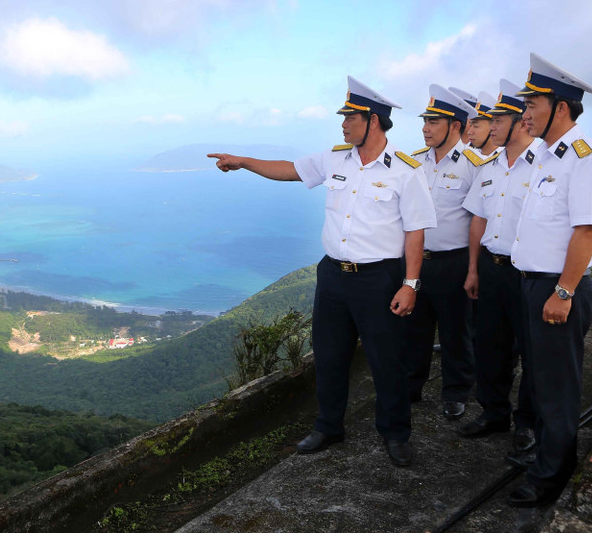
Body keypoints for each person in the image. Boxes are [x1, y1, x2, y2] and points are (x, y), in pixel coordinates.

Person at [208, 76, 435, 466]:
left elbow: (415, 232)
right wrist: (244, 162)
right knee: (330, 356)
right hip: (332, 275)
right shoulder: (336, 158)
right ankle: (329, 426)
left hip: (379, 278)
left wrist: (410, 284)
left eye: (351, 117)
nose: (344, 124)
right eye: (344, 117)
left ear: (374, 121)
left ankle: (396, 433)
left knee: (387, 360)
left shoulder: (405, 169)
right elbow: (289, 170)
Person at [506, 54, 592, 508]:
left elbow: (586, 230)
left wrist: (565, 291)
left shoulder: (585, 158)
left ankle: (552, 475)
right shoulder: (546, 157)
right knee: (537, 377)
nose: (525, 112)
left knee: (556, 385)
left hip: (559, 288)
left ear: (562, 107)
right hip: (534, 284)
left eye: (533, 103)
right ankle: (547, 458)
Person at [458, 78, 539, 462]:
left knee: (533, 351)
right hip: (491, 270)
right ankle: (494, 414)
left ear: (520, 121)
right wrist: (473, 269)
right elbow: (478, 219)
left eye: (497, 120)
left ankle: (527, 424)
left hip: (527, 274)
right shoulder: (490, 167)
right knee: (490, 345)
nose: (490, 127)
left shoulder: (543, 165)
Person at [404, 85, 481, 420]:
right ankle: (410, 387)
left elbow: (483, 218)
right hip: (417, 261)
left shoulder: (473, 164)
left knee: (455, 331)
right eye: (425, 120)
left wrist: (473, 268)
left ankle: (456, 392)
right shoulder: (414, 162)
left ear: (455, 126)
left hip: (454, 261)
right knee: (413, 330)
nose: (425, 127)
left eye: (433, 121)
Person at [450, 87, 498, 160]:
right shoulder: (469, 156)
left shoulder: (506, 158)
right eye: (471, 125)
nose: (470, 132)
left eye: (476, 126)